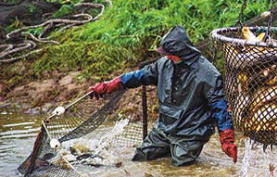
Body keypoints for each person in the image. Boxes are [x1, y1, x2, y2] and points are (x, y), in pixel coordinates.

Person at [89, 25, 237, 166]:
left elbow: (220, 107)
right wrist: (110, 85)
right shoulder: (164, 65)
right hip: (164, 128)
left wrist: (227, 139)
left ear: (182, 53)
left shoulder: (208, 74)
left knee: (181, 170)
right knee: (141, 159)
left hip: (191, 133)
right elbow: (139, 76)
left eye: (170, 55)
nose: (167, 57)